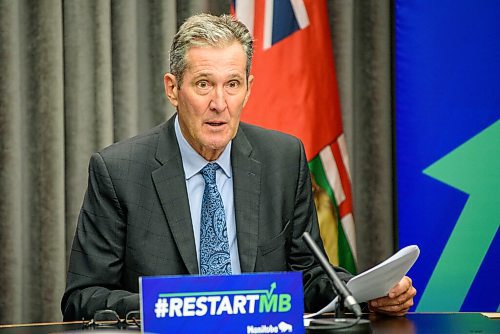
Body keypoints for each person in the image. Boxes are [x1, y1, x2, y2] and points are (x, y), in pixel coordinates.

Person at [61, 13, 415, 321]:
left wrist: (368, 295)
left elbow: (308, 277)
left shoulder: (283, 159)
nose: (219, 103)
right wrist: (179, 308)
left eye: (232, 84)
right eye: (203, 84)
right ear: (172, 89)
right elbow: (83, 297)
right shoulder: (119, 171)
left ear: (248, 89)